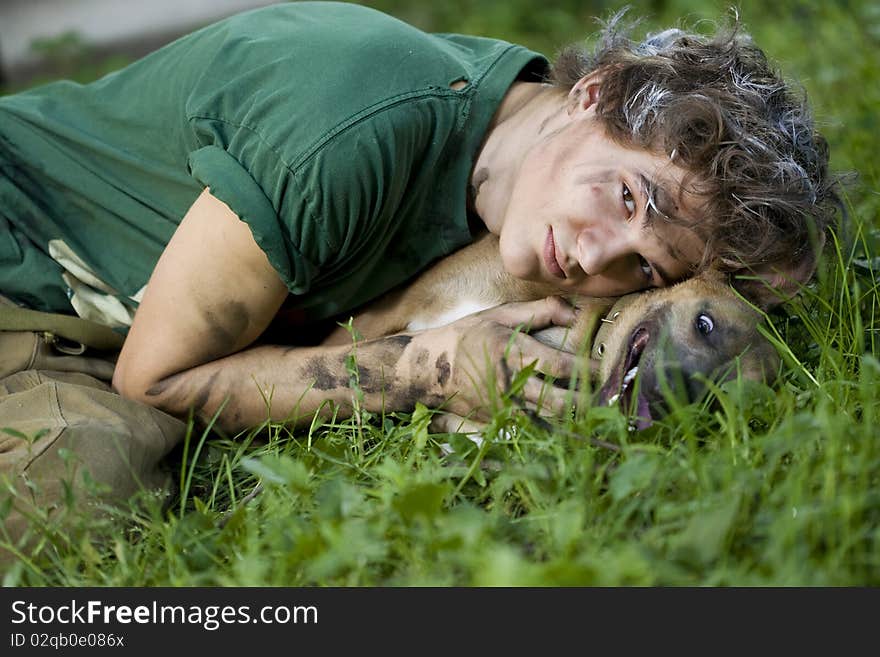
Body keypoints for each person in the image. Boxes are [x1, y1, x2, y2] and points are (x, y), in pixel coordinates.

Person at [0, 2, 838, 561]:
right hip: (30, 282)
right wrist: (423, 368)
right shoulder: (347, 130)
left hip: (106, 308)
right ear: (593, 94)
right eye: (627, 195)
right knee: (74, 495)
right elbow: (155, 378)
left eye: (646, 264)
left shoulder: (523, 174)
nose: (595, 260)